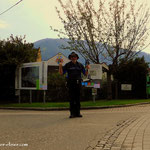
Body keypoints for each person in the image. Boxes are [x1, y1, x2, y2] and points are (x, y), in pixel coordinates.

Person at [59, 52, 89, 118]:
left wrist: (87, 68)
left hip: (78, 83)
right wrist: (60, 67)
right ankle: (72, 113)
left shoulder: (80, 65)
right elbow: (61, 73)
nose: (73, 58)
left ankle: (78, 113)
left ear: (77, 58)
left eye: (74, 57)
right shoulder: (67, 65)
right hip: (70, 83)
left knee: (78, 99)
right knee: (72, 99)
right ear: (70, 58)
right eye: (72, 57)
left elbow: (85, 74)